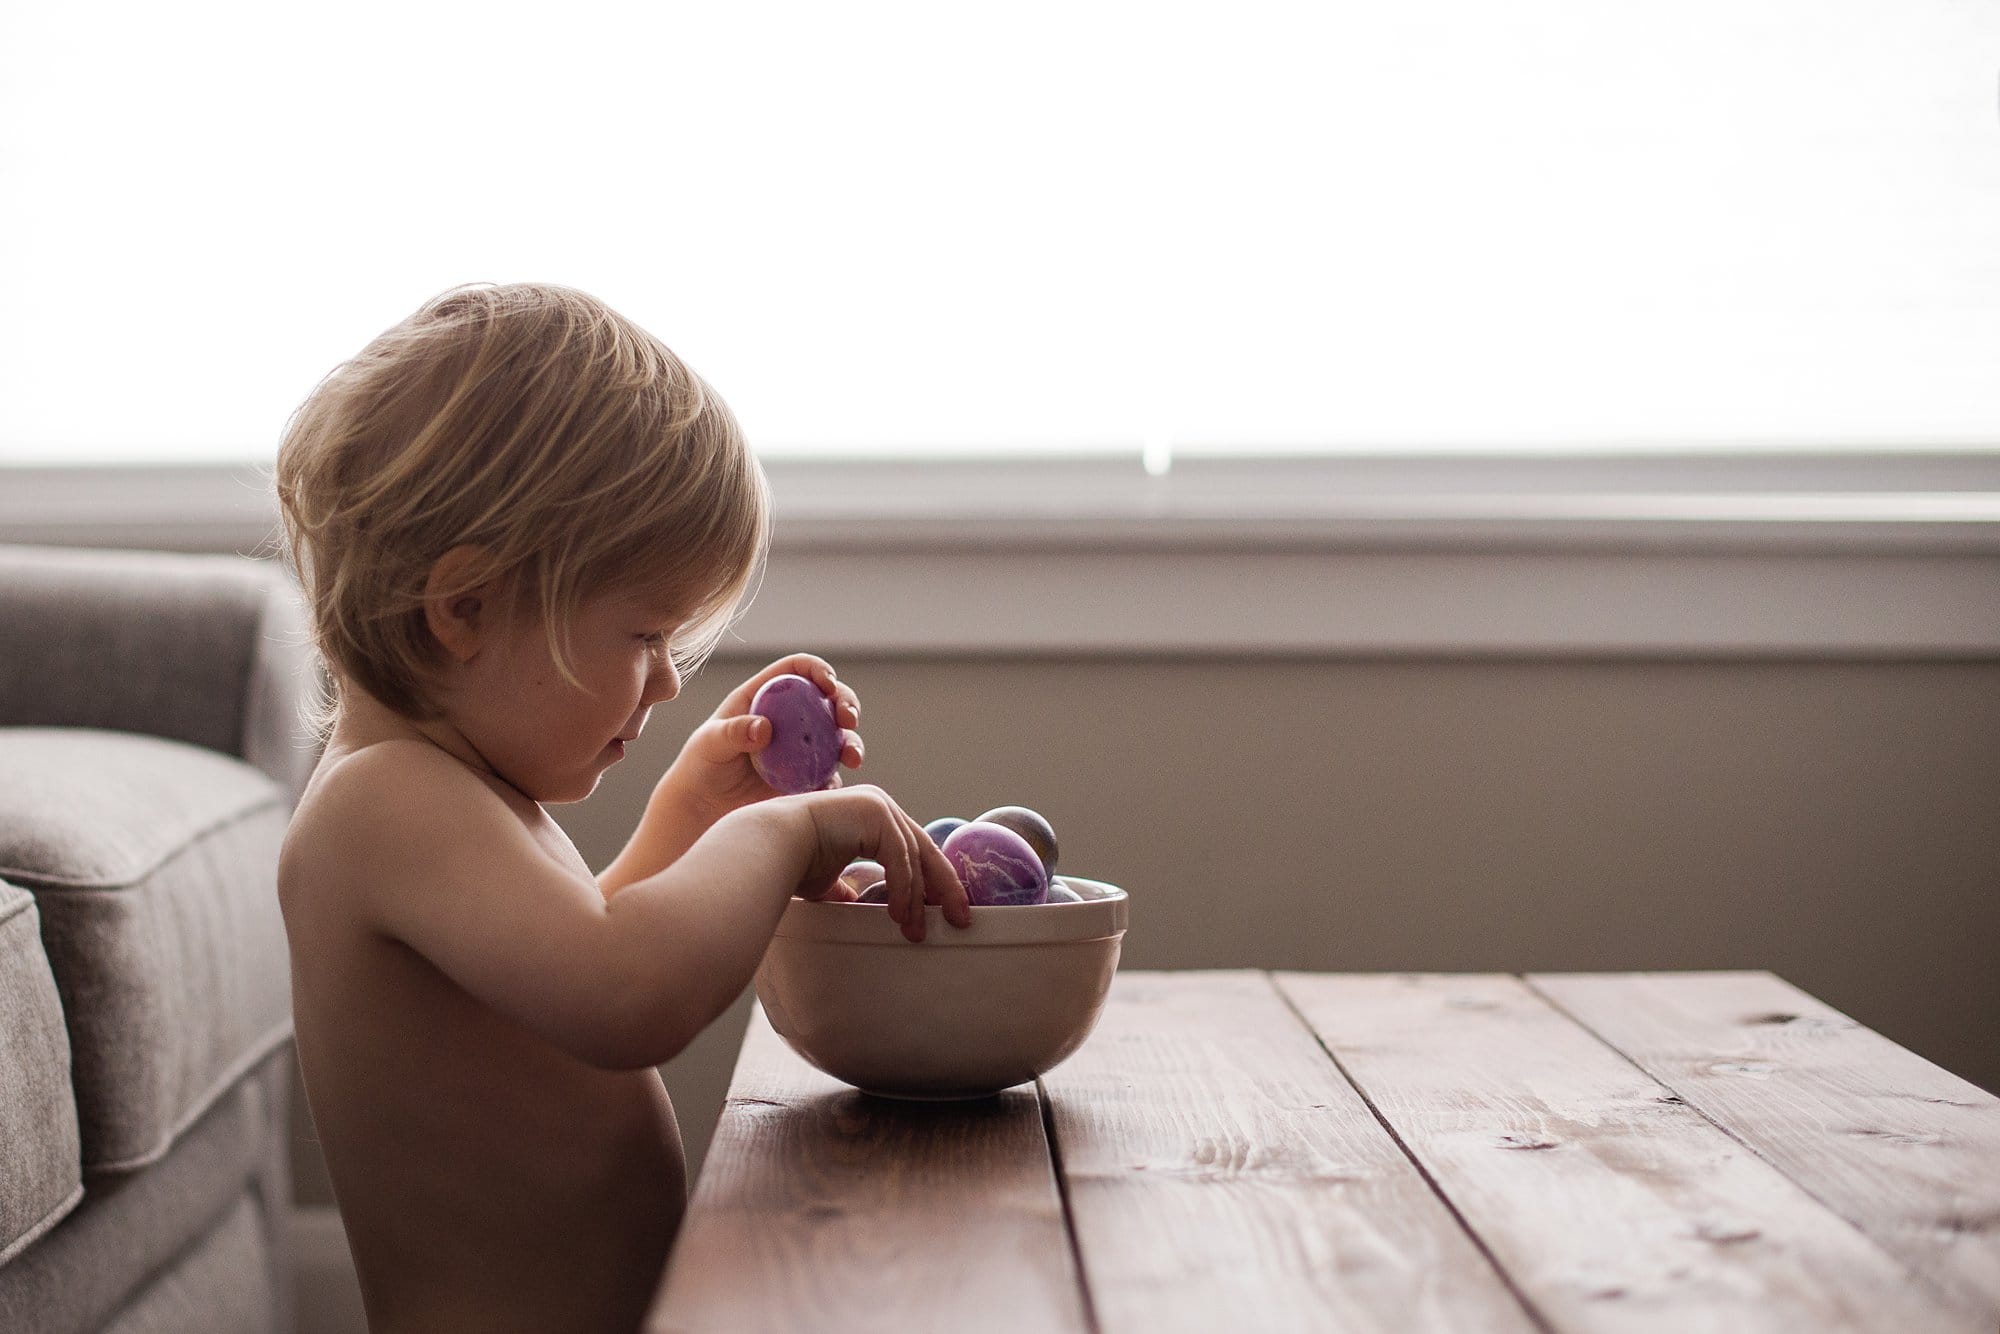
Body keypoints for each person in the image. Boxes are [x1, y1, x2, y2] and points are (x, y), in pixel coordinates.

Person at [271, 281, 971, 1334]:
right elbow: (621, 988)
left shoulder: (440, 789)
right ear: (464, 606)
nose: (666, 679)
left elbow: (555, 982)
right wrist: (783, 829)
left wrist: (690, 810)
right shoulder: (381, 802)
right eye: (645, 634)